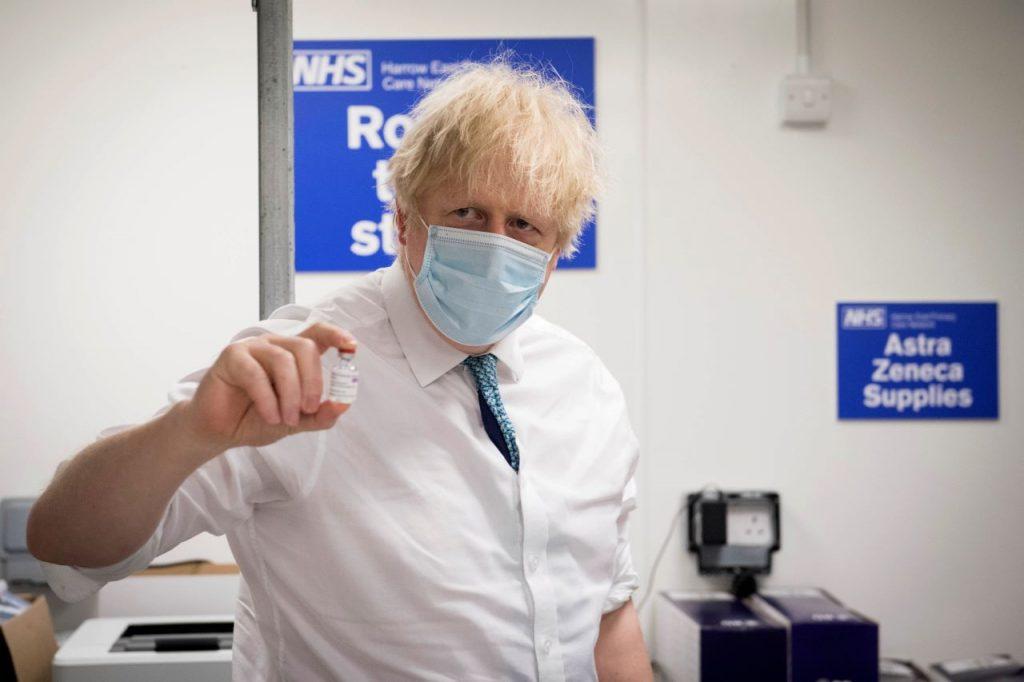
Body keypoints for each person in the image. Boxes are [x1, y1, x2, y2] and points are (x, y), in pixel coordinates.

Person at [28, 58, 652, 681]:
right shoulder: (297, 369)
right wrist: (188, 431)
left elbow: (608, 610)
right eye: (466, 213)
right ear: (404, 222)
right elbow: (65, 544)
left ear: (552, 258)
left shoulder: (585, 388)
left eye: (523, 226)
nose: (494, 244)